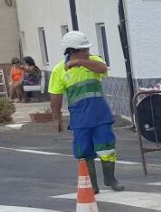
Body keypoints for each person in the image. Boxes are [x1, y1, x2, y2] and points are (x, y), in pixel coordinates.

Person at [49, 31, 124, 193]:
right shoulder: (59, 70)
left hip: (100, 115)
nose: (87, 52)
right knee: (84, 151)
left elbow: (103, 68)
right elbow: (55, 95)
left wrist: (81, 62)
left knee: (107, 148)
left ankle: (111, 179)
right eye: (84, 50)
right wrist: (56, 118)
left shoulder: (93, 61)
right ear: (72, 51)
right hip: (80, 118)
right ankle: (92, 185)